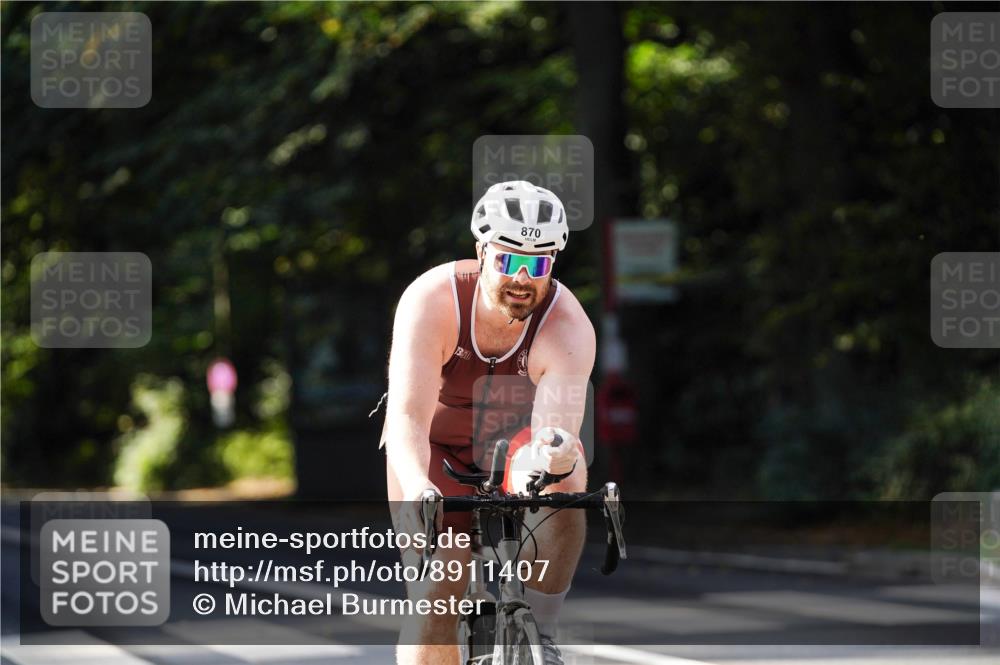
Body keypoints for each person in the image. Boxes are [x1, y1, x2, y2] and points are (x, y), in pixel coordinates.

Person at [382, 181, 595, 665]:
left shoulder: (568, 325)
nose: (522, 277)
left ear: (553, 265)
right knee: (442, 581)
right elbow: (407, 418)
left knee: (570, 474)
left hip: (511, 448)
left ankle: (541, 629)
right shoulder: (432, 300)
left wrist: (552, 461)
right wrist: (417, 487)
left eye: (537, 264)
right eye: (508, 259)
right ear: (482, 251)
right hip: (432, 449)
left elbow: (551, 435)